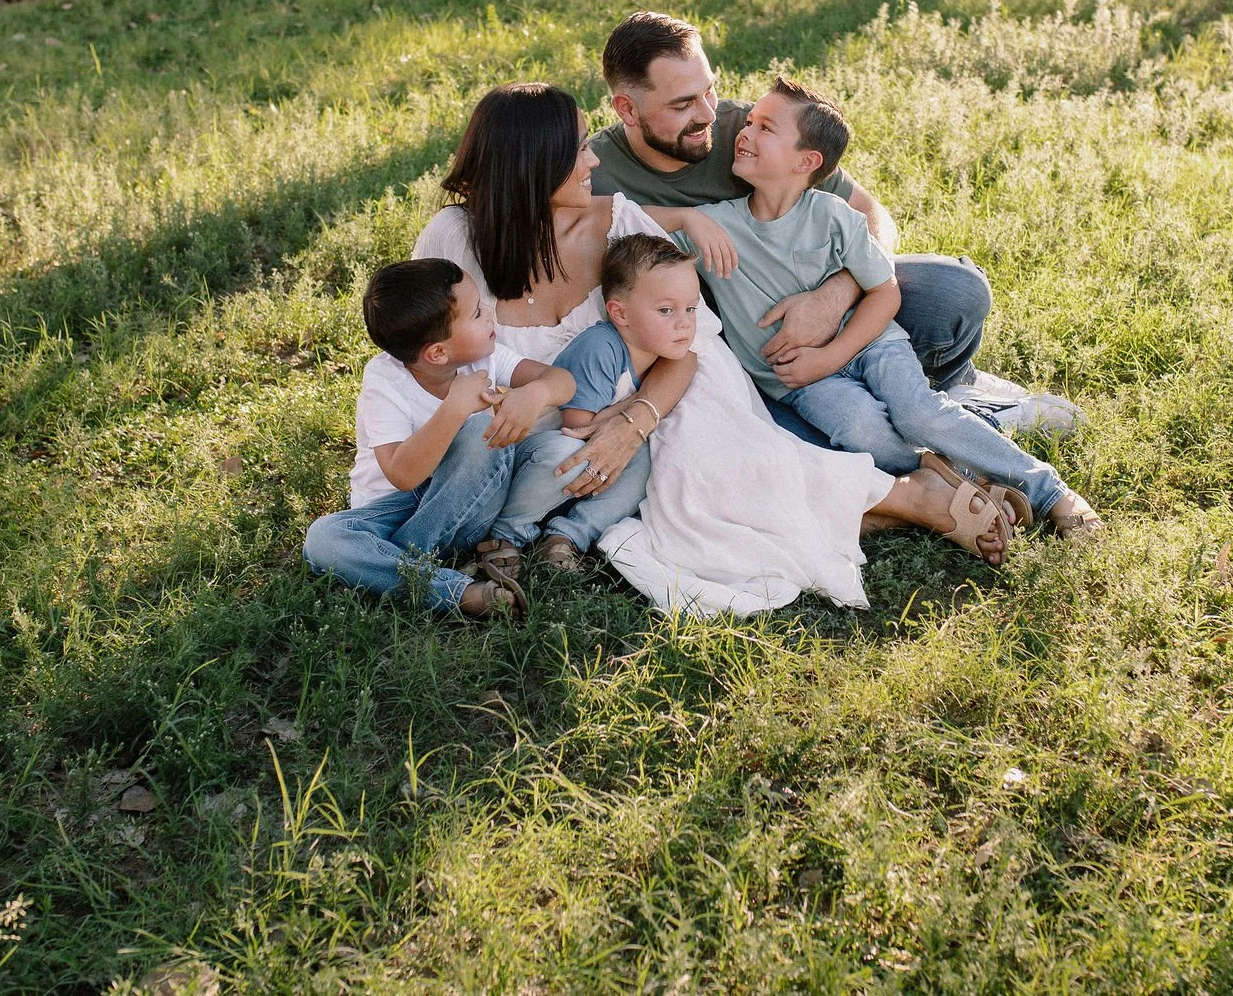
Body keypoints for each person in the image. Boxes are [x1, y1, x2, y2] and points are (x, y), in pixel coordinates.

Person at [414, 83, 1025, 616]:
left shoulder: (620, 223)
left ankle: (917, 495)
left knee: (715, 476)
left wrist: (634, 422)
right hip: (545, 427)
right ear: (531, 165)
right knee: (684, 520)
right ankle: (920, 489)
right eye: (576, 149)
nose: (593, 157)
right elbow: (420, 362)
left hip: (664, 390)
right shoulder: (454, 241)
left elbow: (689, 347)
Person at [591, 11, 1083, 446]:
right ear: (627, 109)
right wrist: (684, 218)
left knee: (955, 291)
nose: (707, 113)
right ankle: (971, 420)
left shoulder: (750, 129)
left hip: (827, 309)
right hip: (744, 360)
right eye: (682, 104)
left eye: (710, 89)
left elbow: (872, 215)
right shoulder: (594, 174)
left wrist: (834, 295)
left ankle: (950, 389)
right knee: (791, 440)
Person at [669, 78, 1105, 540]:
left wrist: (831, 355)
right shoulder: (716, 225)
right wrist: (685, 217)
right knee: (863, 431)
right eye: (750, 121)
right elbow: (625, 217)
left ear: (807, 161)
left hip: (871, 343)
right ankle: (971, 480)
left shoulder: (835, 216)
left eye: (765, 127)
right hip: (798, 382)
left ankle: (1050, 491)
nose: (745, 132)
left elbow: (885, 292)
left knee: (918, 414)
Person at [300, 258, 577, 619]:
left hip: (470, 502)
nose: (490, 313)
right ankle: (460, 593)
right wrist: (454, 409)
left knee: (564, 449)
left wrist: (537, 393)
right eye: (477, 313)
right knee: (323, 538)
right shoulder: (385, 381)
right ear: (438, 353)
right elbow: (401, 474)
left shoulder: (487, 357)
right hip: (397, 506)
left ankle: (396, 561)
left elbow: (563, 382)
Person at [484, 233, 699, 573]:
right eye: (665, 310)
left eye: (690, 309)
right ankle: (505, 534)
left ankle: (566, 536)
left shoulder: (657, 353)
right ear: (620, 313)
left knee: (645, 458)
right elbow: (579, 429)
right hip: (534, 460)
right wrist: (625, 411)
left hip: (578, 472)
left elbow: (689, 363)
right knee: (568, 454)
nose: (684, 322)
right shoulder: (601, 347)